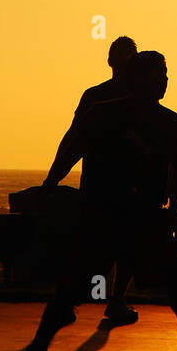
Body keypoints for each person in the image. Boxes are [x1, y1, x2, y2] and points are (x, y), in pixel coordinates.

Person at [21, 50, 177, 351]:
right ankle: (39, 345)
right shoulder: (102, 114)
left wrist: (173, 211)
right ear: (137, 78)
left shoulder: (174, 124)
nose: (164, 79)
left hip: (145, 215)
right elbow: (71, 150)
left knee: (176, 282)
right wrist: (50, 183)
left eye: (165, 73)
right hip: (102, 213)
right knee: (73, 285)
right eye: (158, 73)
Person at [49, 35, 138, 324]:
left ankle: (115, 299)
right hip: (100, 183)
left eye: (129, 55)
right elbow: (75, 138)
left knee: (123, 246)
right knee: (90, 246)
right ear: (111, 61)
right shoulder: (96, 97)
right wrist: (53, 175)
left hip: (128, 185)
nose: (124, 61)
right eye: (120, 55)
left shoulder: (139, 98)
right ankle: (75, 300)